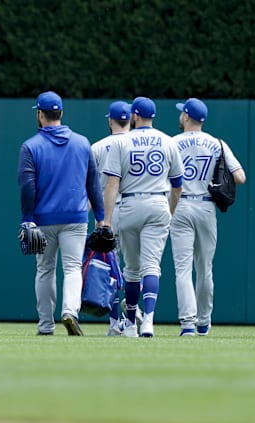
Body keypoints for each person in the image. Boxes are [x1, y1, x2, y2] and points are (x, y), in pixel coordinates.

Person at [18, 90, 106, 336]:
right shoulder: (82, 142)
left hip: (43, 219)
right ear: (61, 113)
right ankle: (70, 311)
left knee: (45, 269)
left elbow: (27, 187)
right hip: (76, 218)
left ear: (40, 114)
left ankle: (46, 325)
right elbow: (93, 185)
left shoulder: (30, 147)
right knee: (72, 268)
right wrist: (100, 217)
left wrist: (27, 219)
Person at [102, 96, 184, 337]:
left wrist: (107, 220)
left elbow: (112, 183)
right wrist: (170, 211)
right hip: (159, 200)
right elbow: (178, 185)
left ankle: (129, 322)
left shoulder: (122, 142)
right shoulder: (169, 142)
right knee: (151, 266)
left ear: (135, 116)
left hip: (129, 203)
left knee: (132, 270)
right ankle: (148, 319)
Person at [170, 98, 246, 337]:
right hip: (206, 206)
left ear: (186, 117)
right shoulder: (217, 143)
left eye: (183, 112)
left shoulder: (173, 142)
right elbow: (240, 176)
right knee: (205, 268)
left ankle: (188, 324)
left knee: (182, 269)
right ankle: (204, 322)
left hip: (180, 206)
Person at [91, 100, 139, 336]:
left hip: (105, 213)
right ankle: (133, 314)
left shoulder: (97, 147)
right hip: (133, 208)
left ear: (110, 120)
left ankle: (113, 324)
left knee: (108, 269)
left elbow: (90, 187)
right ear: (131, 119)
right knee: (135, 267)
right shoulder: (140, 144)